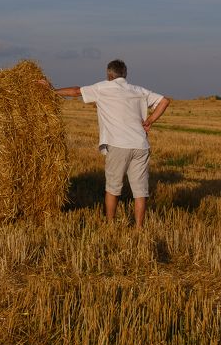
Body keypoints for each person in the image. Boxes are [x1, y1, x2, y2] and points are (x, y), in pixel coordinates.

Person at [47, 59, 170, 228]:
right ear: (125, 74)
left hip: (118, 145)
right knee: (140, 192)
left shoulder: (103, 88)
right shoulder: (138, 90)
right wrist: (149, 121)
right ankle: (139, 228)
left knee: (113, 188)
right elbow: (164, 101)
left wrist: (52, 91)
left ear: (109, 74)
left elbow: (76, 91)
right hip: (141, 145)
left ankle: (110, 225)